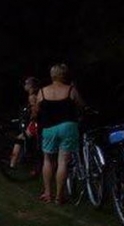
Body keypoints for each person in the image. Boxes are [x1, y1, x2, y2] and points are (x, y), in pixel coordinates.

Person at [33, 63, 85, 204]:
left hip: (49, 128)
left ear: (52, 75)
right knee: (63, 162)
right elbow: (81, 106)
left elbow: (36, 112)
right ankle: (59, 196)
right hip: (68, 126)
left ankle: (48, 193)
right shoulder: (71, 90)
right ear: (65, 75)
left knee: (48, 160)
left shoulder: (42, 91)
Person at [9, 76, 40, 169]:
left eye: (26, 83)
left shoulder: (32, 97)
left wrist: (31, 119)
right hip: (35, 123)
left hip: (35, 124)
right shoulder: (36, 95)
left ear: (31, 86)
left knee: (19, 139)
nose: (24, 85)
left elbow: (35, 111)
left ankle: (13, 163)